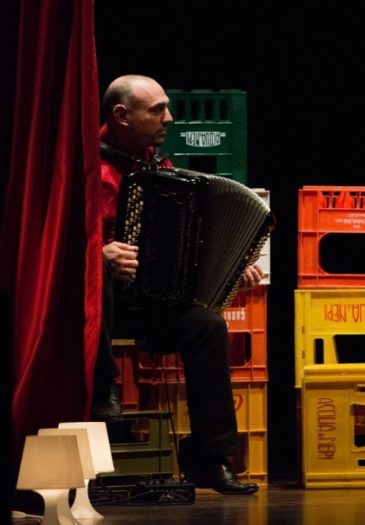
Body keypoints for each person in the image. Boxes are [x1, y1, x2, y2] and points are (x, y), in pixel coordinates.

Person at [93, 74, 263, 495]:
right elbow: (52, 242)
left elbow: (190, 243)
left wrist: (231, 267)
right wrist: (99, 254)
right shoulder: (85, 166)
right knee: (98, 275)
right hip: (98, 310)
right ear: (122, 115)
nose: (168, 118)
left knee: (207, 325)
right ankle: (103, 387)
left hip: (150, 303)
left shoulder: (160, 168)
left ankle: (209, 458)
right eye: (157, 110)